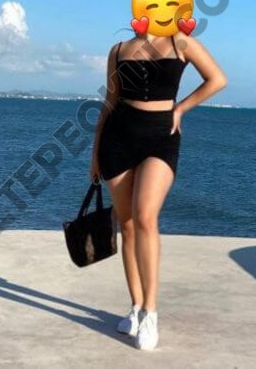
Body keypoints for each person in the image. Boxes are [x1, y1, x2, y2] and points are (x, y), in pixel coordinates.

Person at [90, 30, 227, 350]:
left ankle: (150, 312)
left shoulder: (181, 41)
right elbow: (110, 101)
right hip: (117, 140)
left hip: (161, 139)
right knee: (126, 224)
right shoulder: (119, 49)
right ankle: (135, 307)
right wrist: (95, 152)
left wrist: (181, 108)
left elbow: (217, 79)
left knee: (145, 216)